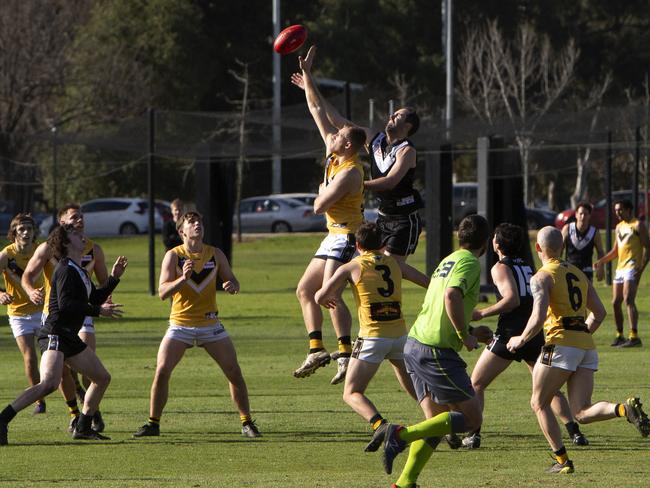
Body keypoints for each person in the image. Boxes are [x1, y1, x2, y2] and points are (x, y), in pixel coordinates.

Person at [506, 226, 649, 474]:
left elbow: (538, 317)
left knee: (538, 403)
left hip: (560, 344)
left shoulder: (541, 276)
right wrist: (579, 337)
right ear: (562, 247)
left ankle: (562, 461)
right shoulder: (577, 273)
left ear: (538, 248)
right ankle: (624, 409)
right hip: (585, 346)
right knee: (581, 412)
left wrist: (520, 339)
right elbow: (600, 313)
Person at [366, 215, 493, 488]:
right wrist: (464, 336)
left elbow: (440, 304)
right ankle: (399, 435)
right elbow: (451, 297)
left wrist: (470, 331)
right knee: (472, 419)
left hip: (415, 342)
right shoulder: (469, 263)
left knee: (437, 422)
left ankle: (405, 482)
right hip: (435, 349)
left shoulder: (449, 260)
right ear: (485, 243)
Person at [133, 211, 261, 438]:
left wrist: (233, 285)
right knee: (162, 371)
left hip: (210, 324)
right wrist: (182, 278)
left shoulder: (215, 254)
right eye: (191, 222)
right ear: (182, 231)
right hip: (180, 325)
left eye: (199, 221)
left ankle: (247, 422)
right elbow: (162, 292)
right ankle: (153, 424)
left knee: (233, 371)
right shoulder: (173, 256)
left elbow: (232, 279)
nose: (197, 225)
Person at [463, 223, 587, 450]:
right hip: (534, 332)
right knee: (548, 389)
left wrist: (481, 313)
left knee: (476, 383)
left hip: (511, 333)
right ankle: (574, 432)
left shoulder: (499, 267)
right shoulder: (529, 266)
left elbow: (512, 300)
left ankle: (473, 434)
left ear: (497, 244)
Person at [0, 225, 127, 445]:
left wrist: (114, 278)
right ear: (67, 243)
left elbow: (94, 298)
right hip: (55, 333)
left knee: (101, 378)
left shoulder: (78, 269)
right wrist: (98, 311)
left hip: (68, 335)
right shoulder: (66, 269)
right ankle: (3, 419)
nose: (82, 235)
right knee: (48, 384)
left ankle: (83, 426)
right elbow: (68, 305)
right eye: (76, 235)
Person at [291, 51, 422, 263]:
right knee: (377, 267)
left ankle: (436, 287)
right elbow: (334, 118)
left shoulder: (407, 150)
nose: (391, 116)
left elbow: (390, 182)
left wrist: (354, 184)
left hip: (404, 217)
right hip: (383, 216)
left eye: (398, 115)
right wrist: (309, 83)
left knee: (389, 267)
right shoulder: (374, 138)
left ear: (408, 126)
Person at [291, 46, 367, 385]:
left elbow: (319, 206)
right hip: (332, 234)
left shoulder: (350, 171)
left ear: (347, 145)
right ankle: (316, 349)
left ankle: (345, 354)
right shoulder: (334, 154)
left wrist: (318, 196)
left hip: (348, 235)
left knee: (329, 293)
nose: (332, 135)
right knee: (305, 291)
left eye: (338, 135)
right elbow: (316, 107)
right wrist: (308, 73)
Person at [314, 222, 428, 437]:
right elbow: (428, 283)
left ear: (357, 245)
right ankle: (438, 422)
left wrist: (328, 299)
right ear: (383, 243)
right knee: (414, 386)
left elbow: (320, 295)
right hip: (400, 337)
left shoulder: (351, 266)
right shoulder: (395, 263)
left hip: (372, 337)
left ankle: (380, 426)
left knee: (351, 392)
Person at [22, 203, 109, 431]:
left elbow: (101, 284)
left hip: (83, 313)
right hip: (56, 315)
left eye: (81, 217)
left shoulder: (93, 249)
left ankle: (90, 414)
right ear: (63, 225)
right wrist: (31, 291)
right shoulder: (47, 249)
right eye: (73, 218)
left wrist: (107, 295)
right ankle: (74, 414)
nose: (79, 220)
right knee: (59, 373)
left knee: (90, 366)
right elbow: (27, 276)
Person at [0, 214, 46, 414]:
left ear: (35, 232)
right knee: (30, 358)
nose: (26, 232)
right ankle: (39, 400)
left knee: (58, 358)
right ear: (14, 234)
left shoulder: (42, 250)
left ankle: (74, 392)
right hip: (18, 314)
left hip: (43, 311)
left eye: (29, 229)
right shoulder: (5, 255)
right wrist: (1, 294)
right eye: (21, 229)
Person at [594, 199, 650, 347]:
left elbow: (648, 249)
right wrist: (601, 261)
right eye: (616, 210)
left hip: (632, 267)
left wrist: (640, 269)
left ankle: (634, 337)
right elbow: (615, 251)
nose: (617, 212)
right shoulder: (619, 227)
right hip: (620, 269)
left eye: (620, 210)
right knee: (615, 302)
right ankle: (619, 335)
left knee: (628, 300)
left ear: (628, 210)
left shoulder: (638, 225)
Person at [561, 202, 604, 282]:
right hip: (569, 270)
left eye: (586, 214)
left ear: (589, 216)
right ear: (576, 214)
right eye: (581, 214)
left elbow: (600, 252)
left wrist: (600, 267)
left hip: (587, 271)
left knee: (586, 294)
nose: (583, 216)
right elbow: (559, 249)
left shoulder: (594, 232)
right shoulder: (567, 229)